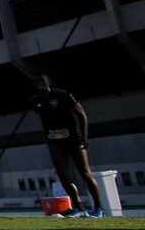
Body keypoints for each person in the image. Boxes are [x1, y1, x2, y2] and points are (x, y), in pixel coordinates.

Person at [30, 74, 104, 218]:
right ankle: (78, 207)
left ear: (48, 82)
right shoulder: (35, 102)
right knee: (62, 174)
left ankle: (98, 207)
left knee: (85, 172)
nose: (39, 83)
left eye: (42, 80)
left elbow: (81, 115)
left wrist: (84, 137)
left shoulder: (62, 95)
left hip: (73, 139)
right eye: (36, 81)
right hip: (54, 141)